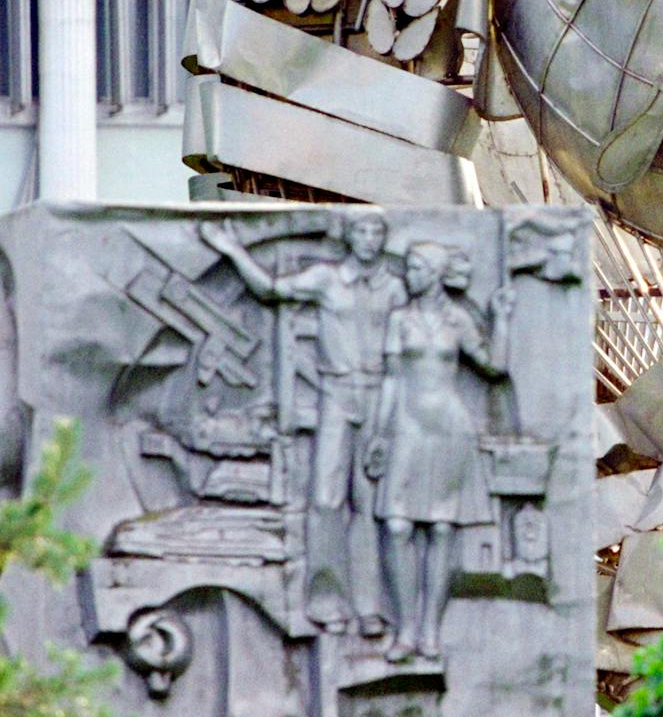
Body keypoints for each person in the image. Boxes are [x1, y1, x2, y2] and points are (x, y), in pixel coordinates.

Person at [198, 214, 400, 634]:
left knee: (368, 506)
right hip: (336, 396)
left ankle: (370, 608)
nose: (368, 238)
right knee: (326, 500)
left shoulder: (395, 288)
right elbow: (271, 290)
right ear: (348, 235)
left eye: (376, 231)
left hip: (379, 395)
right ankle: (325, 600)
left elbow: (403, 356)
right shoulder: (326, 279)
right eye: (362, 230)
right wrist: (232, 250)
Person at [365, 242, 511, 662]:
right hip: (407, 429)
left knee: (442, 529)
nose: (409, 274)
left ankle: (430, 629)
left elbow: (494, 368)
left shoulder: (458, 320)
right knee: (396, 525)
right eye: (408, 266)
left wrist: (501, 319)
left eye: (416, 267)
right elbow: (391, 381)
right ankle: (405, 627)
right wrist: (378, 434)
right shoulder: (401, 320)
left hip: (450, 428)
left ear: (434, 272)